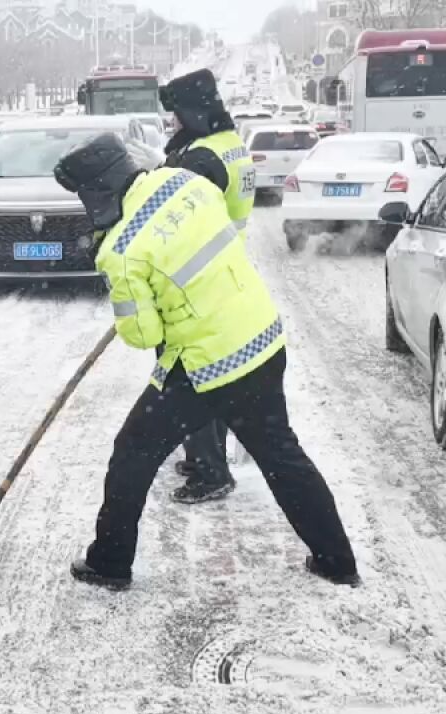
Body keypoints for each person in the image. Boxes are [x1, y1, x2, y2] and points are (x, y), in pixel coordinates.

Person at [53, 133, 359, 591]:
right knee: (281, 454)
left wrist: (124, 288)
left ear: (95, 193)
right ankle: (337, 561)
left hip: (206, 367)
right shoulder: (184, 182)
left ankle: (110, 562)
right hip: (261, 339)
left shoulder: (121, 250)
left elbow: (143, 335)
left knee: (133, 453)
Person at [157, 68, 256, 505]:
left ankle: (210, 471)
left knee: (189, 379)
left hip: (194, 283)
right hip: (222, 274)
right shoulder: (229, 145)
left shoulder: (201, 160)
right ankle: (205, 458)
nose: (171, 124)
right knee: (208, 375)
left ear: (191, 113)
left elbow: (177, 224)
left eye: (175, 115)